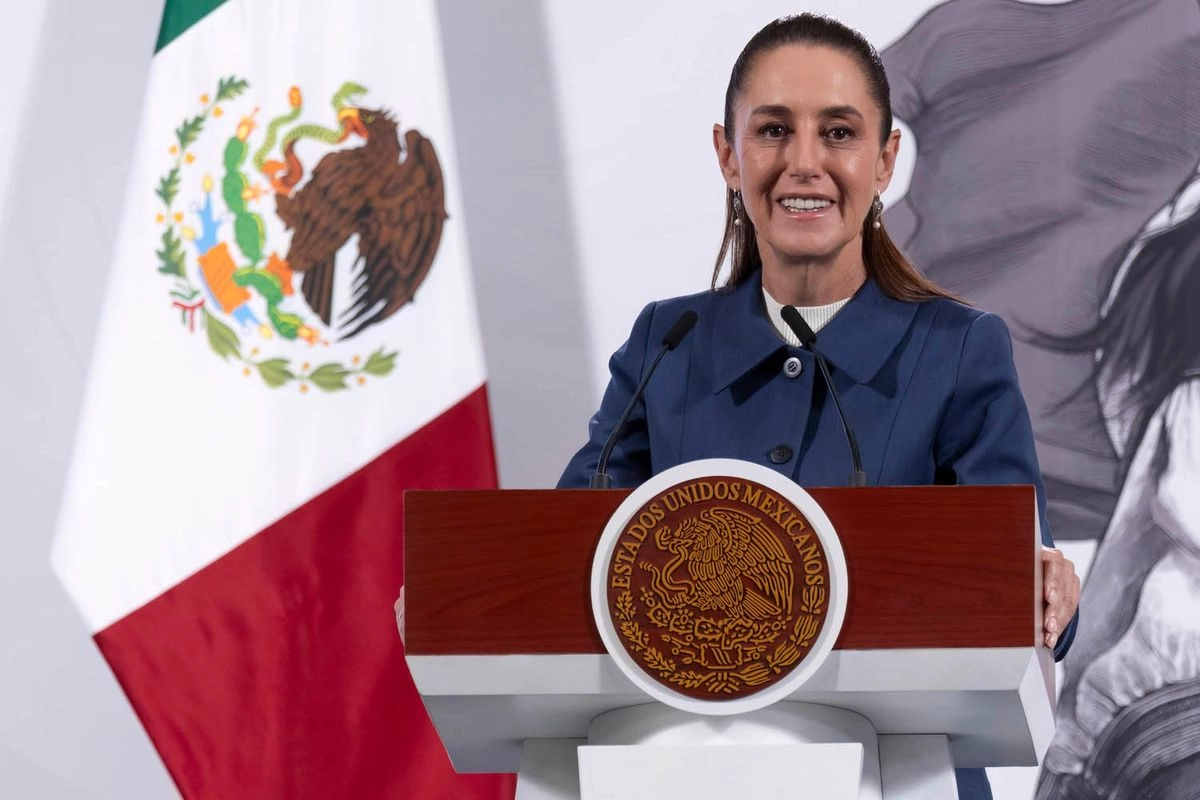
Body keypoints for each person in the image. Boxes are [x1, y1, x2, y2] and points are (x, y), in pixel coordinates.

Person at [557, 14, 1080, 799]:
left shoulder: (960, 348)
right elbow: (562, 559)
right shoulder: (666, 343)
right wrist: (454, 597)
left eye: (838, 133)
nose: (805, 163)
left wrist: (1052, 592)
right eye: (773, 131)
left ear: (885, 159)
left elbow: (1020, 578)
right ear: (728, 155)